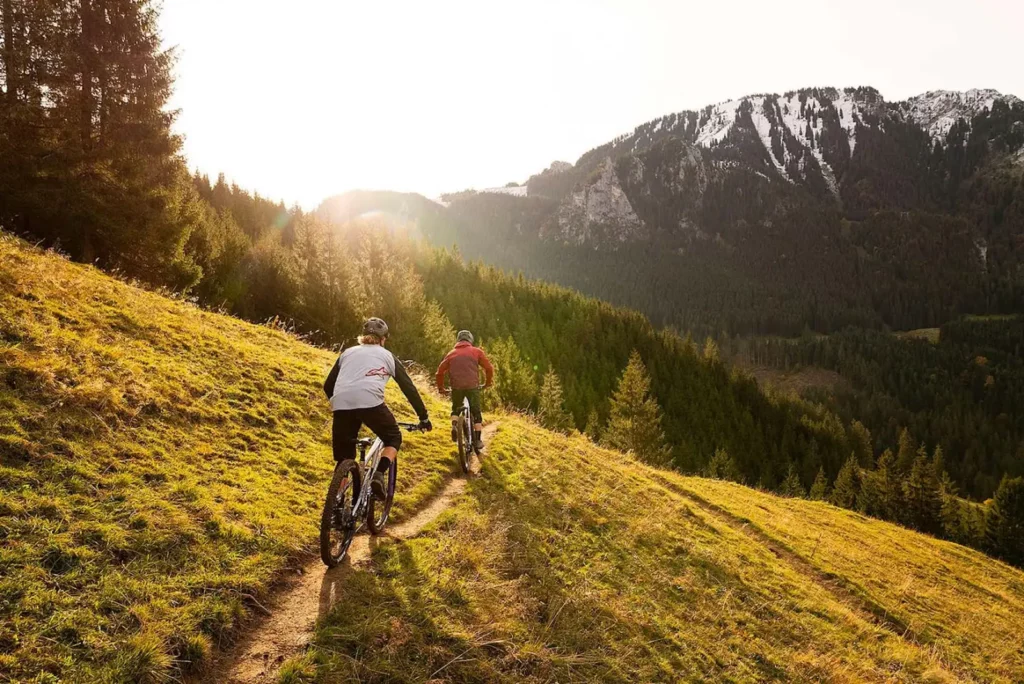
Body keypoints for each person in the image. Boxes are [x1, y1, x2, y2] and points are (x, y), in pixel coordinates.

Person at [323, 317, 432, 500]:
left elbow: (328, 386)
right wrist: (423, 417)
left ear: (363, 337)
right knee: (393, 436)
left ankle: (337, 504)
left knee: (344, 457)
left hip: (341, 403)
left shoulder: (347, 353)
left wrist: (342, 404)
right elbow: (408, 387)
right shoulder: (387, 355)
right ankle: (379, 475)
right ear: (383, 339)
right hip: (370, 402)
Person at [436, 330, 494, 451]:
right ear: (470, 340)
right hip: (472, 387)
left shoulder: (451, 354)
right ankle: (477, 440)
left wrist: (441, 388)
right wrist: (487, 383)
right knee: (476, 412)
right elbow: (489, 368)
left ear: (458, 341)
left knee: (456, 408)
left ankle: (454, 425)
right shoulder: (476, 351)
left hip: (456, 387)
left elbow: (439, 372)